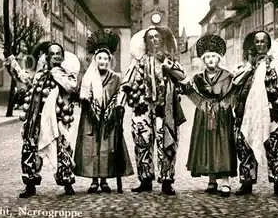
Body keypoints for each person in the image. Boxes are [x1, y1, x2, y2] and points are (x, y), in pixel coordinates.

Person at [4, 42, 80, 198]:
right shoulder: (39, 75)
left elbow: (71, 87)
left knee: (62, 152)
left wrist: (55, 72)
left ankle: (67, 183)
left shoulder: (66, 75)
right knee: (29, 152)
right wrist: (11, 60)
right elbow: (24, 78)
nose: (55, 57)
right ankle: (30, 185)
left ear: (63, 57)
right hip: (36, 122)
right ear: (47, 57)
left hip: (56, 122)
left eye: (58, 53)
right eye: (52, 54)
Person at [117, 26, 186, 195]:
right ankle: (145, 179)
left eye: (157, 37)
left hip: (165, 108)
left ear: (162, 40)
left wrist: (168, 67)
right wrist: (120, 105)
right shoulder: (138, 62)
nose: (154, 40)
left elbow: (182, 77)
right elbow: (126, 83)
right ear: (145, 43)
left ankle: (167, 180)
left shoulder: (169, 60)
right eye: (150, 38)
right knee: (142, 142)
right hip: (142, 108)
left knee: (166, 143)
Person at [232, 30, 278, 197]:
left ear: (268, 44)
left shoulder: (277, 63)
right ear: (253, 44)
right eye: (257, 41)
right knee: (245, 147)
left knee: (274, 148)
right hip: (248, 113)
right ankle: (246, 183)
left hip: (271, 112)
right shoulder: (246, 64)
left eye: (263, 41)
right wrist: (250, 66)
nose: (260, 44)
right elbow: (235, 82)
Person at [74, 30, 134, 194]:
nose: (103, 61)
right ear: (95, 60)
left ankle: (104, 179)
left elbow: (118, 95)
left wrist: (116, 107)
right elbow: (82, 96)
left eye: (106, 58)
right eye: (99, 58)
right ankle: (94, 180)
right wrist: (89, 104)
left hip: (109, 118)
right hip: (91, 118)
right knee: (92, 146)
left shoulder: (115, 78)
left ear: (110, 61)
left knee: (106, 148)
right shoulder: (88, 78)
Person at [183, 34, 237, 197]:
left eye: (214, 56)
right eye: (208, 57)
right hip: (204, 115)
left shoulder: (228, 76)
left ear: (219, 58)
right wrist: (201, 103)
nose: (211, 59)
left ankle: (226, 181)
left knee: (223, 145)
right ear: (203, 60)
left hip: (222, 116)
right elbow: (191, 92)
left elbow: (233, 94)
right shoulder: (198, 78)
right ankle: (212, 180)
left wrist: (223, 105)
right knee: (207, 145)